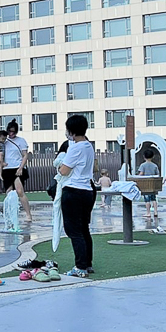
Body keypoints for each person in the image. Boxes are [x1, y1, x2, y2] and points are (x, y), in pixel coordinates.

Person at [58, 115, 96, 278]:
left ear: (71, 130)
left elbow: (64, 170)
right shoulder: (88, 145)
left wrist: (60, 165)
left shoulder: (75, 148)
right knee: (83, 229)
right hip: (87, 190)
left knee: (74, 231)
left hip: (74, 191)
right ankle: (87, 264)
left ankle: (80, 267)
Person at [1, 119, 32, 221]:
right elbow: (0, 157)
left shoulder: (21, 141)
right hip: (7, 169)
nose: (11, 134)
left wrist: (21, 168)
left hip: (17, 167)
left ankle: (28, 215)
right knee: (9, 192)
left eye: (13, 132)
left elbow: (25, 155)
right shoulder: (4, 142)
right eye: (9, 131)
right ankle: (11, 216)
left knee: (19, 191)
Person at [136, 150, 160, 220]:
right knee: (154, 198)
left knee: (147, 199)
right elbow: (157, 174)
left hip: (145, 184)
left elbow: (141, 174)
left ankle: (148, 213)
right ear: (153, 156)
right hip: (153, 184)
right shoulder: (155, 165)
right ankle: (155, 212)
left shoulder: (143, 165)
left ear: (144, 157)